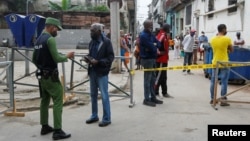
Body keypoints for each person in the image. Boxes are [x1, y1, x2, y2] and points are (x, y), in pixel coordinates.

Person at [32, 17, 74, 140]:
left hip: (41, 77)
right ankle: (57, 131)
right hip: (50, 76)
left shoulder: (38, 39)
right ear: (51, 27)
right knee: (57, 100)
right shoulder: (50, 39)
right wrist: (67, 56)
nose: (57, 32)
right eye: (57, 29)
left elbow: (34, 59)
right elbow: (56, 58)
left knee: (44, 101)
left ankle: (44, 126)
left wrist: (41, 67)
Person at [84, 23, 114, 127]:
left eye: (93, 31)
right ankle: (94, 115)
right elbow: (91, 55)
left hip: (101, 73)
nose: (91, 33)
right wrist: (88, 58)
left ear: (99, 31)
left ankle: (106, 118)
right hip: (92, 72)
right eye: (90, 31)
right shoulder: (91, 42)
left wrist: (99, 62)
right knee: (93, 95)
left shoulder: (106, 42)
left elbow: (110, 58)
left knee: (104, 96)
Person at [140, 19, 163, 107]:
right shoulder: (143, 36)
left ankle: (153, 97)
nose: (151, 27)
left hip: (153, 59)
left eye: (151, 25)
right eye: (150, 25)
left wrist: (154, 45)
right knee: (147, 80)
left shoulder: (151, 34)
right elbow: (151, 47)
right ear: (146, 26)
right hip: (147, 59)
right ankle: (146, 99)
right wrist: (154, 46)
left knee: (153, 79)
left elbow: (158, 44)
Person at [209, 24, 233, 106]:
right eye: (226, 29)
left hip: (215, 62)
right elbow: (231, 50)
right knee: (224, 81)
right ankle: (223, 100)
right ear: (223, 29)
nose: (226, 30)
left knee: (213, 81)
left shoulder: (212, 39)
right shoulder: (227, 39)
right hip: (224, 63)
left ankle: (213, 99)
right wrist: (227, 49)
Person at [155, 23, 172, 98]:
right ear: (166, 29)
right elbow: (156, 46)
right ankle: (155, 92)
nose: (169, 30)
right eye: (169, 29)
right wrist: (160, 53)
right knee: (158, 76)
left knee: (164, 77)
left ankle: (164, 92)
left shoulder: (164, 35)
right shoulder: (161, 35)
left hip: (164, 59)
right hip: (160, 59)